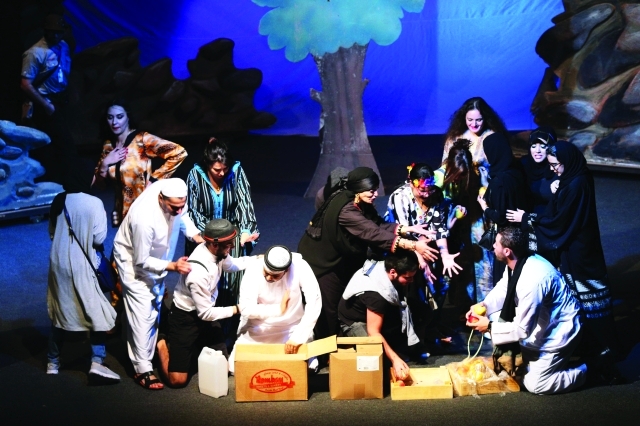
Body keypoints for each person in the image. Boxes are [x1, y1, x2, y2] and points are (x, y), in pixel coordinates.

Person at [506, 140, 619, 365]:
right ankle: (588, 346)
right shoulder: (575, 178)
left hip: (580, 253)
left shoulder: (576, 185)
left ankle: (602, 350)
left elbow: (560, 222)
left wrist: (527, 219)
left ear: (567, 161)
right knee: (580, 301)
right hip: (578, 248)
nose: (553, 169)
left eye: (555, 165)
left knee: (589, 301)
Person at [298, 166, 439, 345]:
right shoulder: (346, 210)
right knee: (329, 309)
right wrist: (413, 245)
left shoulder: (361, 203)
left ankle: (344, 346)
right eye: (371, 191)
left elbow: (377, 224)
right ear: (358, 189)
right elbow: (372, 233)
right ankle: (325, 352)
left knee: (343, 302)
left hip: (342, 258)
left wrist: (407, 229)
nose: (375, 195)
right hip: (323, 261)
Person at [466, 226, 585, 395]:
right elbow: (505, 288)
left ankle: (587, 369)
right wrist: (484, 306)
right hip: (542, 322)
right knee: (496, 317)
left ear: (507, 251)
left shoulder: (532, 281)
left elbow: (522, 329)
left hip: (559, 330)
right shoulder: (519, 261)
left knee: (536, 385)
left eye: (496, 244)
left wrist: (490, 327)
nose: (493, 246)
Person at [113, 178, 204, 390]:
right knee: (143, 312)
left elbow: (184, 216)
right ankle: (142, 368)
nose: (179, 210)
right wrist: (173, 266)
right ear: (161, 199)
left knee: (154, 305)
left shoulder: (175, 195)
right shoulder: (143, 218)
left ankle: (149, 346)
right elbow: (142, 260)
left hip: (158, 259)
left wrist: (195, 235)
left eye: (182, 205)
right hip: (134, 264)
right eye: (174, 207)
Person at [156, 219, 253, 387]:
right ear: (215, 244)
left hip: (206, 312)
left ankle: (194, 346)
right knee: (177, 381)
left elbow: (232, 265)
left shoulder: (218, 251)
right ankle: (161, 341)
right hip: (185, 318)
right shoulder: (197, 273)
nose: (232, 246)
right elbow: (206, 314)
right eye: (229, 244)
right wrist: (237, 308)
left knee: (223, 368)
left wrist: (258, 259)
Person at [46, 164, 119, 383]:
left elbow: (52, 233)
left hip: (59, 262)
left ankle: (52, 363)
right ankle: (97, 362)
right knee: (95, 310)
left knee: (60, 311)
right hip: (83, 264)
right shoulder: (94, 203)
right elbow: (98, 238)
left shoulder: (59, 200)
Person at [186, 138, 259, 348]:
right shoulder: (195, 175)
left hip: (231, 235)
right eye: (217, 169)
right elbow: (194, 211)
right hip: (205, 236)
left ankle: (228, 335)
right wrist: (210, 237)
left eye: (224, 169)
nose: (221, 173)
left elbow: (245, 204)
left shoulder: (235, 171)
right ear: (208, 164)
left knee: (231, 284)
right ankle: (203, 334)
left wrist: (245, 232)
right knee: (205, 285)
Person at [385, 163, 462, 348]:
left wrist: (445, 255)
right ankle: (413, 338)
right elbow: (403, 231)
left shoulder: (436, 195)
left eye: (430, 189)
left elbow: (439, 229)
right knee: (415, 286)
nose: (427, 194)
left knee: (442, 281)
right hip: (402, 247)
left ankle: (432, 328)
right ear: (411, 183)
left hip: (428, 246)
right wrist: (420, 259)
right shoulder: (400, 197)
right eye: (422, 190)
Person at [93, 99, 188, 227]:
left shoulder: (141, 139)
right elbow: (100, 184)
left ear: (128, 117)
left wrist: (155, 180)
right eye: (110, 117)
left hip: (144, 209)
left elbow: (179, 152)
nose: (114, 122)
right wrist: (105, 163)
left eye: (119, 117)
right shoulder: (108, 146)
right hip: (122, 213)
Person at [229, 245, 322, 374]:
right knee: (235, 367)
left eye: (274, 276)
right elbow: (246, 309)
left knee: (308, 367)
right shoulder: (254, 268)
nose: (268, 278)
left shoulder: (300, 266)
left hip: (292, 327)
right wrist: (278, 309)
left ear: (286, 270)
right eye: (266, 273)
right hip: (260, 328)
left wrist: (298, 337)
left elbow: (315, 302)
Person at [338, 251, 420, 380]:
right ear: (393, 272)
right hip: (354, 321)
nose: (412, 280)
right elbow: (373, 332)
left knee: (423, 312)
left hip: (373, 311)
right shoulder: (376, 295)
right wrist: (395, 359)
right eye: (408, 278)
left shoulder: (383, 267)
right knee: (376, 360)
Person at [21, 14, 74, 183]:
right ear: (46, 31)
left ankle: (61, 181)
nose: (56, 35)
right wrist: (46, 105)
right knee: (54, 144)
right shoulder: (35, 53)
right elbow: (25, 84)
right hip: (44, 102)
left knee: (59, 144)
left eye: (59, 32)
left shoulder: (63, 46)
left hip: (60, 99)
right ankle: (52, 181)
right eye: (52, 32)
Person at [435, 139, 485, 308]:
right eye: (457, 174)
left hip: (451, 230)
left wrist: (458, 212)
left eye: (463, 175)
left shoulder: (460, 180)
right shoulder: (437, 179)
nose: (459, 178)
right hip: (437, 234)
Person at [477, 132, 528, 289]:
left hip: (506, 240)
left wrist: (485, 207)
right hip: (521, 235)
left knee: (505, 281)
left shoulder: (499, 181)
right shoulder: (517, 171)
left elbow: (500, 216)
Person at [441, 96, 509, 177]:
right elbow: (445, 166)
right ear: (464, 118)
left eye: (479, 120)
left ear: (485, 118)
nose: (474, 124)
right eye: (470, 120)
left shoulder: (493, 138)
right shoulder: (455, 137)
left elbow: (500, 170)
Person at [520, 126, 560, 261]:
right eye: (533, 146)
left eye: (543, 146)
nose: (537, 151)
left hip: (549, 225)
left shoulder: (558, 168)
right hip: (526, 222)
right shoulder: (523, 165)